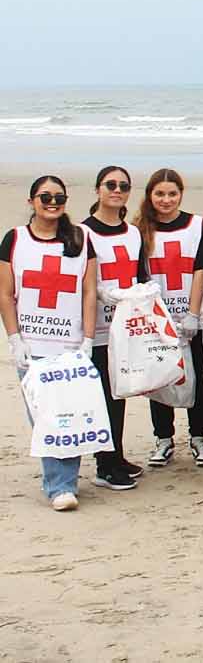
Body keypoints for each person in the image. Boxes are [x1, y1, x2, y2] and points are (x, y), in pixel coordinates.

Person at [0, 177, 97, 510]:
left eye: (59, 197)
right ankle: (60, 484)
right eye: (45, 196)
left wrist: (87, 339)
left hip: (70, 345)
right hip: (33, 346)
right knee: (44, 418)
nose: (52, 202)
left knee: (70, 415)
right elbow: (5, 294)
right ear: (31, 201)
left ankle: (62, 485)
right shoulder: (15, 239)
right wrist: (14, 338)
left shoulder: (80, 239)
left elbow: (88, 291)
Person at [134, 168, 203, 468]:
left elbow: (199, 270)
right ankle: (164, 438)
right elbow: (139, 276)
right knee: (159, 377)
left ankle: (198, 436)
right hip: (157, 319)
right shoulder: (139, 230)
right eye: (160, 194)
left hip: (191, 317)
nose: (166, 200)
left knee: (198, 376)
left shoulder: (196, 225)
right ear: (150, 195)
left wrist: (193, 314)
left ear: (181, 194)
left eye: (172, 193)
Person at [82, 166, 150, 490]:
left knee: (119, 393)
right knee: (102, 397)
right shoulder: (83, 233)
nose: (117, 190)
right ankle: (104, 465)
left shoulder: (133, 233)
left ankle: (116, 455)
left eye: (124, 185)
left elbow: (140, 275)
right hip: (95, 329)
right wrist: (100, 293)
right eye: (110, 185)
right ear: (98, 189)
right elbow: (79, 280)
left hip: (124, 328)